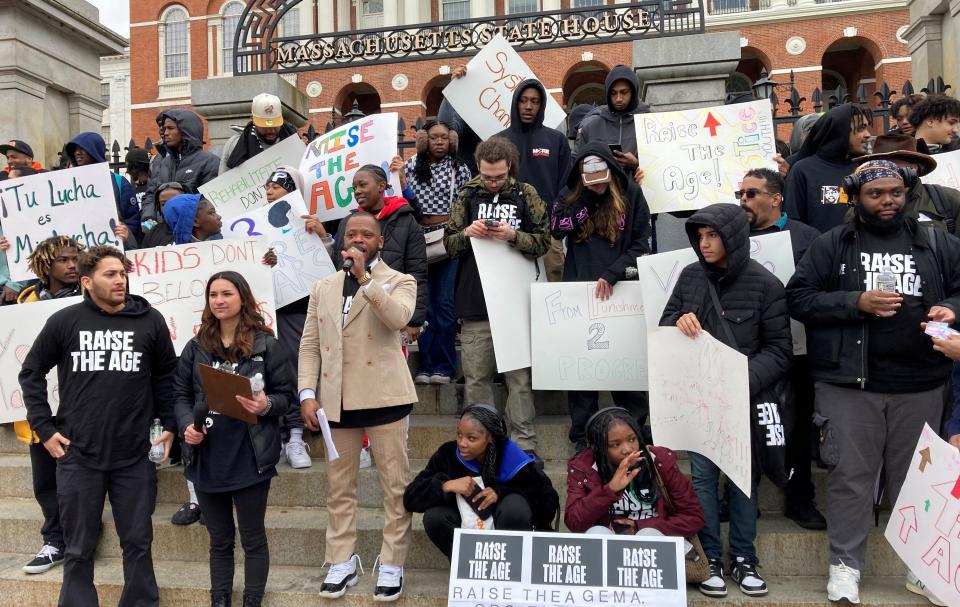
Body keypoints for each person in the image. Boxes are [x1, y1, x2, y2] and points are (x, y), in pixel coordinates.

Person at [786, 160, 960, 606]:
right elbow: (799, 297)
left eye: (895, 192)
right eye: (876, 194)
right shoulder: (833, 243)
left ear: (907, 193)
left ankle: (923, 567)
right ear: (856, 197)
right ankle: (845, 568)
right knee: (851, 478)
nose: (887, 201)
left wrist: (951, 309)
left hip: (922, 383)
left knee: (919, 484)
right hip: (848, 385)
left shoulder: (937, 241)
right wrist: (855, 302)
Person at [19, 245, 179, 607]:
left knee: (138, 542)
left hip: (135, 454)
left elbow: (167, 375)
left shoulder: (149, 320)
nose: (120, 280)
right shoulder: (65, 321)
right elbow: (30, 373)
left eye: (123, 273)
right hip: (79, 454)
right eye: (111, 274)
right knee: (77, 548)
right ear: (88, 282)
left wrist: (169, 424)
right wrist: (44, 428)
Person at [660, 203, 793, 598]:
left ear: (732, 236)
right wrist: (678, 322)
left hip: (743, 399)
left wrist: (738, 381)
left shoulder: (766, 285)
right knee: (701, 477)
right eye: (699, 236)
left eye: (712, 235)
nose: (704, 244)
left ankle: (744, 558)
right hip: (700, 398)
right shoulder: (689, 277)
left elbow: (780, 350)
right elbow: (665, 327)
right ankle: (710, 558)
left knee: (742, 480)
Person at [298, 211, 418, 601]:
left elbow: (398, 318)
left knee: (394, 486)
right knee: (339, 487)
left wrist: (366, 278)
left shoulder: (399, 281)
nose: (359, 239)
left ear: (380, 242)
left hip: (386, 398)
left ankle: (392, 562)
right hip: (338, 401)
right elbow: (311, 345)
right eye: (352, 233)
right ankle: (341, 560)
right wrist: (306, 392)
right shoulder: (324, 287)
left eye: (368, 234)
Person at [174, 271, 295, 607]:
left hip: (250, 454)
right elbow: (180, 395)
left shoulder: (266, 344)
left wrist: (266, 404)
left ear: (242, 297)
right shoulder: (196, 346)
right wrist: (186, 425)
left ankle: (252, 601)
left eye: (226, 293)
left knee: (253, 539)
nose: (219, 301)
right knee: (219, 539)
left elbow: (287, 396)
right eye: (213, 295)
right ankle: (220, 600)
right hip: (208, 455)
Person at [444, 136, 550, 455]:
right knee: (477, 379)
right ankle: (484, 444)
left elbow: (544, 241)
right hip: (475, 300)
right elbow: (449, 244)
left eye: (499, 177)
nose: (492, 183)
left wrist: (513, 236)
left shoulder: (525, 193)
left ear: (509, 169)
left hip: (515, 302)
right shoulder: (467, 193)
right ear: (478, 167)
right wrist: (467, 233)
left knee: (518, 378)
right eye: (487, 176)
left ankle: (523, 445)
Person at [737, 167, 825, 530]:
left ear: (776, 198)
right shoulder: (732, 234)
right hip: (745, 349)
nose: (743, 201)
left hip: (798, 347)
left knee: (798, 424)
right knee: (741, 425)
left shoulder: (807, 237)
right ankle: (740, 497)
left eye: (751, 194)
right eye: (740, 194)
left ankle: (800, 498)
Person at [550, 146, 651, 451]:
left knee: (625, 365)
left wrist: (613, 273)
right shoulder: (571, 194)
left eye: (601, 176)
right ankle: (582, 435)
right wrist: (585, 198)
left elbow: (643, 244)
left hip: (621, 290)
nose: (598, 183)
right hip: (579, 293)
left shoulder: (630, 193)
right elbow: (556, 229)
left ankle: (633, 428)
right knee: (582, 369)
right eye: (590, 178)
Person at [6, 237, 82, 575]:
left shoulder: (92, 297)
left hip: (83, 409)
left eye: (76, 258)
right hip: (43, 414)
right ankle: (54, 539)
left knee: (81, 481)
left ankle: (79, 539)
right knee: (45, 484)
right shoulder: (24, 301)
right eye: (64, 260)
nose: (72, 265)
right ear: (45, 265)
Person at [403, 404, 559, 559]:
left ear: (490, 437)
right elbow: (410, 499)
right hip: (467, 525)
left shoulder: (513, 459)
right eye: (459, 435)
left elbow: (548, 503)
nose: (462, 443)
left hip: (505, 526)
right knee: (434, 517)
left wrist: (502, 493)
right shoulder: (447, 455)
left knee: (514, 507)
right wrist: (444, 485)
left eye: (471, 438)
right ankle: (468, 565)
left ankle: (512, 564)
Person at [259, 166, 322, 470]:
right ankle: (282, 433)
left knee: (296, 369)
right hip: (268, 311)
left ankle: (295, 433)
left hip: (299, 307)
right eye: (268, 185)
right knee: (272, 372)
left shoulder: (309, 222)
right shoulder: (254, 226)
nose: (270, 190)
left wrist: (323, 238)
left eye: (277, 185)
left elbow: (329, 266)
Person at [403, 121, 472, 385]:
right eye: (434, 137)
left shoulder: (460, 168)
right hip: (417, 241)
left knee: (444, 305)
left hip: (447, 242)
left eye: (444, 137)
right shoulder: (409, 167)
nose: (440, 142)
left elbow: (465, 204)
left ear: (452, 140)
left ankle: (444, 366)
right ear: (424, 140)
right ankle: (426, 364)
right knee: (423, 306)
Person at [564, 407, 703, 539]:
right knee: (597, 532)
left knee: (647, 535)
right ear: (600, 448)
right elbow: (574, 523)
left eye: (632, 439)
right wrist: (609, 490)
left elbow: (693, 516)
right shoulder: (585, 467)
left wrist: (639, 527)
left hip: (655, 538)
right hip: (611, 540)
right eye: (615, 445)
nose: (627, 449)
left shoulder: (658, 461)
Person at [332, 164, 427, 347]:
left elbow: (417, 272)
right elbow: (338, 269)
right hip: (352, 314)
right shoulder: (346, 222)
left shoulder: (407, 221)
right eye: (354, 188)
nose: (357, 191)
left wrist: (414, 320)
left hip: (392, 313)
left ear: (381, 186)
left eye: (362, 185)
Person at [497, 78, 572, 283]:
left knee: (553, 298)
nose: (529, 106)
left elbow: (567, 186)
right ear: (515, 103)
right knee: (513, 293)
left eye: (535, 101)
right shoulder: (498, 141)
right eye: (523, 100)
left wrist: (556, 226)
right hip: (508, 233)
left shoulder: (557, 140)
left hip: (548, 235)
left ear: (542, 105)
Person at [785, 103, 873, 233]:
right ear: (840, 130)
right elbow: (793, 223)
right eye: (860, 128)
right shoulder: (803, 170)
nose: (867, 134)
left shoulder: (864, 168)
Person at [852, 134, 960, 236]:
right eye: (883, 167)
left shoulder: (949, 199)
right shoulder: (860, 207)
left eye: (896, 167)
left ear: (915, 168)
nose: (890, 173)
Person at [142, 109, 221, 223]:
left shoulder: (210, 162)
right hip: (164, 232)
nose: (165, 133)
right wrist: (148, 218)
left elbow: (210, 203)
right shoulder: (162, 161)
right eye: (164, 129)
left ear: (186, 130)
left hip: (195, 233)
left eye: (171, 128)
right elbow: (150, 194)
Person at [66, 132, 141, 242]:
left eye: (82, 149)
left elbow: (132, 220)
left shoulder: (118, 182)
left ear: (94, 151)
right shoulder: (68, 184)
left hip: (111, 248)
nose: (77, 153)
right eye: (75, 150)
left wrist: (127, 234)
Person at [574, 64, 650, 173]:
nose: (618, 99)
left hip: (639, 188)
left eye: (624, 92)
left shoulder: (649, 124)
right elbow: (579, 167)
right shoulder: (591, 128)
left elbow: (663, 164)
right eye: (613, 93)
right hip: (602, 188)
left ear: (633, 92)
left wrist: (637, 164)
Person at [219, 93, 300, 174]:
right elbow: (222, 182)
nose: (271, 131)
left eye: (275, 125)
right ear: (253, 120)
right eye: (265, 127)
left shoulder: (295, 142)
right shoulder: (234, 144)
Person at [139, 182, 185, 248]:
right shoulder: (152, 233)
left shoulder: (197, 228)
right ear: (158, 207)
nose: (170, 206)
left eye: (175, 201)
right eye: (163, 204)